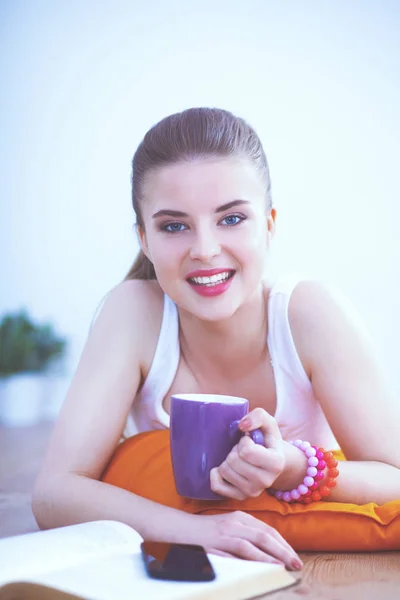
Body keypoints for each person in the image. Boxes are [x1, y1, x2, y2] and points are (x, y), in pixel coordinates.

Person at [32, 107, 400, 571]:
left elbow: (395, 477)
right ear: (144, 238)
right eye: (173, 226)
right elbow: (54, 493)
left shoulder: (308, 314)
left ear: (268, 224)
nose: (204, 249)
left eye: (230, 219)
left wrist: (290, 466)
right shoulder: (133, 313)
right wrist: (201, 531)